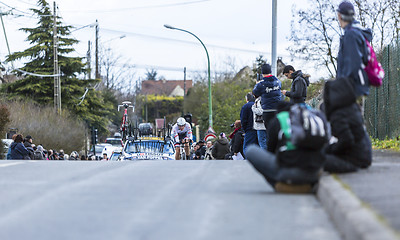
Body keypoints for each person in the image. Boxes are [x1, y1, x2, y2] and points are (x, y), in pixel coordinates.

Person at [246, 101, 327, 193]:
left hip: (289, 173)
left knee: (251, 150)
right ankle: (309, 184)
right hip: (313, 170)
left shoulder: (278, 119)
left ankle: (278, 184)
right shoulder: (311, 116)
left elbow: (271, 151)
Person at [323, 77, 372, 173]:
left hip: (354, 160)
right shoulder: (353, 108)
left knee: (317, 159)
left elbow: (346, 140)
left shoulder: (338, 115)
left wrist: (329, 149)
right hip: (365, 155)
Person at [336, 1, 372, 98]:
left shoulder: (351, 35)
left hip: (351, 90)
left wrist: (342, 89)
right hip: (357, 87)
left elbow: (352, 64)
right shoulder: (357, 32)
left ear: (340, 16)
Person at [252, 63, 282, 134]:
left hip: (267, 110)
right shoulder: (278, 82)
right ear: (270, 71)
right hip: (277, 110)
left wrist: (257, 84)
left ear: (262, 73)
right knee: (277, 131)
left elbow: (255, 93)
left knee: (269, 132)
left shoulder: (261, 84)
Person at [240, 92, 258, 157]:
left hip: (249, 129)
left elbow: (243, 120)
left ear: (247, 99)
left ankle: (249, 163)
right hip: (259, 128)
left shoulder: (245, 106)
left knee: (246, 148)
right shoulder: (257, 105)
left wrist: (245, 129)